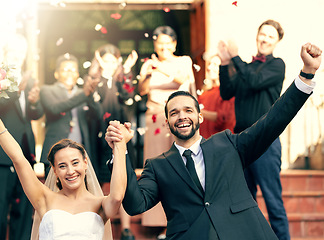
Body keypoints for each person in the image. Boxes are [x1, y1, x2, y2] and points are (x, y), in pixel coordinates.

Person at [105, 43, 322, 240]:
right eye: (174, 113)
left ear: (199, 116)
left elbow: (273, 121)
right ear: (167, 121)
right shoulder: (157, 166)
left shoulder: (229, 144)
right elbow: (135, 205)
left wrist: (306, 74)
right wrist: (120, 150)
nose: (182, 116)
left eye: (188, 110)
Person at [0, 94, 133, 239]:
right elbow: (18, 158)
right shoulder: (44, 199)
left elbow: (118, 196)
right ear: (55, 171)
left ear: (85, 163)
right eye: (62, 166)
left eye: (75, 163)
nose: (70, 171)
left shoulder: (101, 204)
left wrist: (120, 146)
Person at [217, 20, 289, 239]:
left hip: (266, 142)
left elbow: (255, 81)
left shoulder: (277, 65)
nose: (265, 39)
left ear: (276, 41)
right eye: (262, 34)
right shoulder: (245, 67)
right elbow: (226, 92)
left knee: (272, 200)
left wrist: (236, 57)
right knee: (245, 201)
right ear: (257, 36)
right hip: (241, 142)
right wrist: (224, 62)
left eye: (270, 36)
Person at [0, 34, 44, 240]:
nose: (18, 56)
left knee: (24, 209)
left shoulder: (29, 79)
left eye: (21, 53)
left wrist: (34, 102)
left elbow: (35, 114)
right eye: (13, 52)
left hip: (25, 153)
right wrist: (17, 90)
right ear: (6, 54)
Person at [138, 25, 196, 239]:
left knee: (179, 165)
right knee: (156, 167)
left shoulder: (184, 61)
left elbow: (180, 80)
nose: (163, 47)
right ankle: (156, 222)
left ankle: (180, 218)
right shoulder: (149, 64)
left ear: (174, 44)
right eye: (159, 43)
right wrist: (146, 76)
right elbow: (142, 90)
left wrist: (158, 68)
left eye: (167, 43)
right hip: (154, 117)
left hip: (177, 117)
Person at [86, 44, 138, 240]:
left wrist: (125, 72)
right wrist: (100, 75)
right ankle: (97, 229)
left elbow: (128, 97)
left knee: (123, 180)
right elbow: (93, 106)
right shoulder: (95, 81)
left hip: (120, 136)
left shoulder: (122, 80)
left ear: (118, 61)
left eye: (112, 60)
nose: (109, 64)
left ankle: (126, 229)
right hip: (98, 138)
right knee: (98, 182)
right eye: (105, 60)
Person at [39, 53, 99, 177]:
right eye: (65, 70)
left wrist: (91, 95)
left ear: (77, 74)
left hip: (80, 153)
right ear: (56, 73)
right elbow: (55, 109)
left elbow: (97, 115)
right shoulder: (47, 90)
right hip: (55, 151)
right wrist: (84, 94)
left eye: (73, 70)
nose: (70, 73)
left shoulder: (85, 92)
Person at [198, 54, 235, 139]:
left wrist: (197, 111)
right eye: (209, 64)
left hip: (221, 143)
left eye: (214, 64)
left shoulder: (228, 92)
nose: (209, 68)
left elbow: (223, 118)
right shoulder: (204, 94)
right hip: (204, 143)